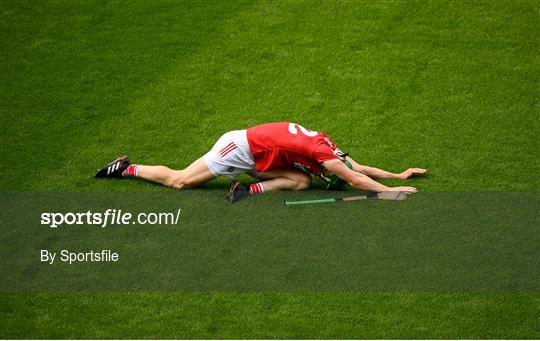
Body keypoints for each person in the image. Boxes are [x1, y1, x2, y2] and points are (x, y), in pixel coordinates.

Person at [95, 122, 426, 202]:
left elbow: (357, 168)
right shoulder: (324, 155)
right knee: (180, 181)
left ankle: (247, 189)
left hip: (260, 156)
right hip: (237, 150)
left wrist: (397, 174)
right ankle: (125, 168)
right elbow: (355, 180)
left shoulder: (327, 148)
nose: (334, 174)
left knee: (302, 181)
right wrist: (390, 192)